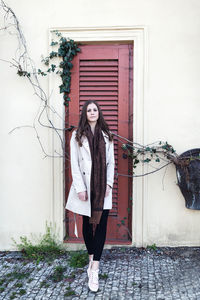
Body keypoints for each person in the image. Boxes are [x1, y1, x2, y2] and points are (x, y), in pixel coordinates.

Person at [65, 100, 115, 292]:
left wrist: (109, 183)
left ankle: (94, 268)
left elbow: (111, 163)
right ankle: (90, 258)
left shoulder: (107, 136)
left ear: (99, 113)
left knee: (101, 226)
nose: (92, 112)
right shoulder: (76, 136)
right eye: (89, 110)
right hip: (85, 186)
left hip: (103, 188)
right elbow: (75, 164)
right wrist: (80, 188)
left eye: (95, 110)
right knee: (87, 225)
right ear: (85, 114)